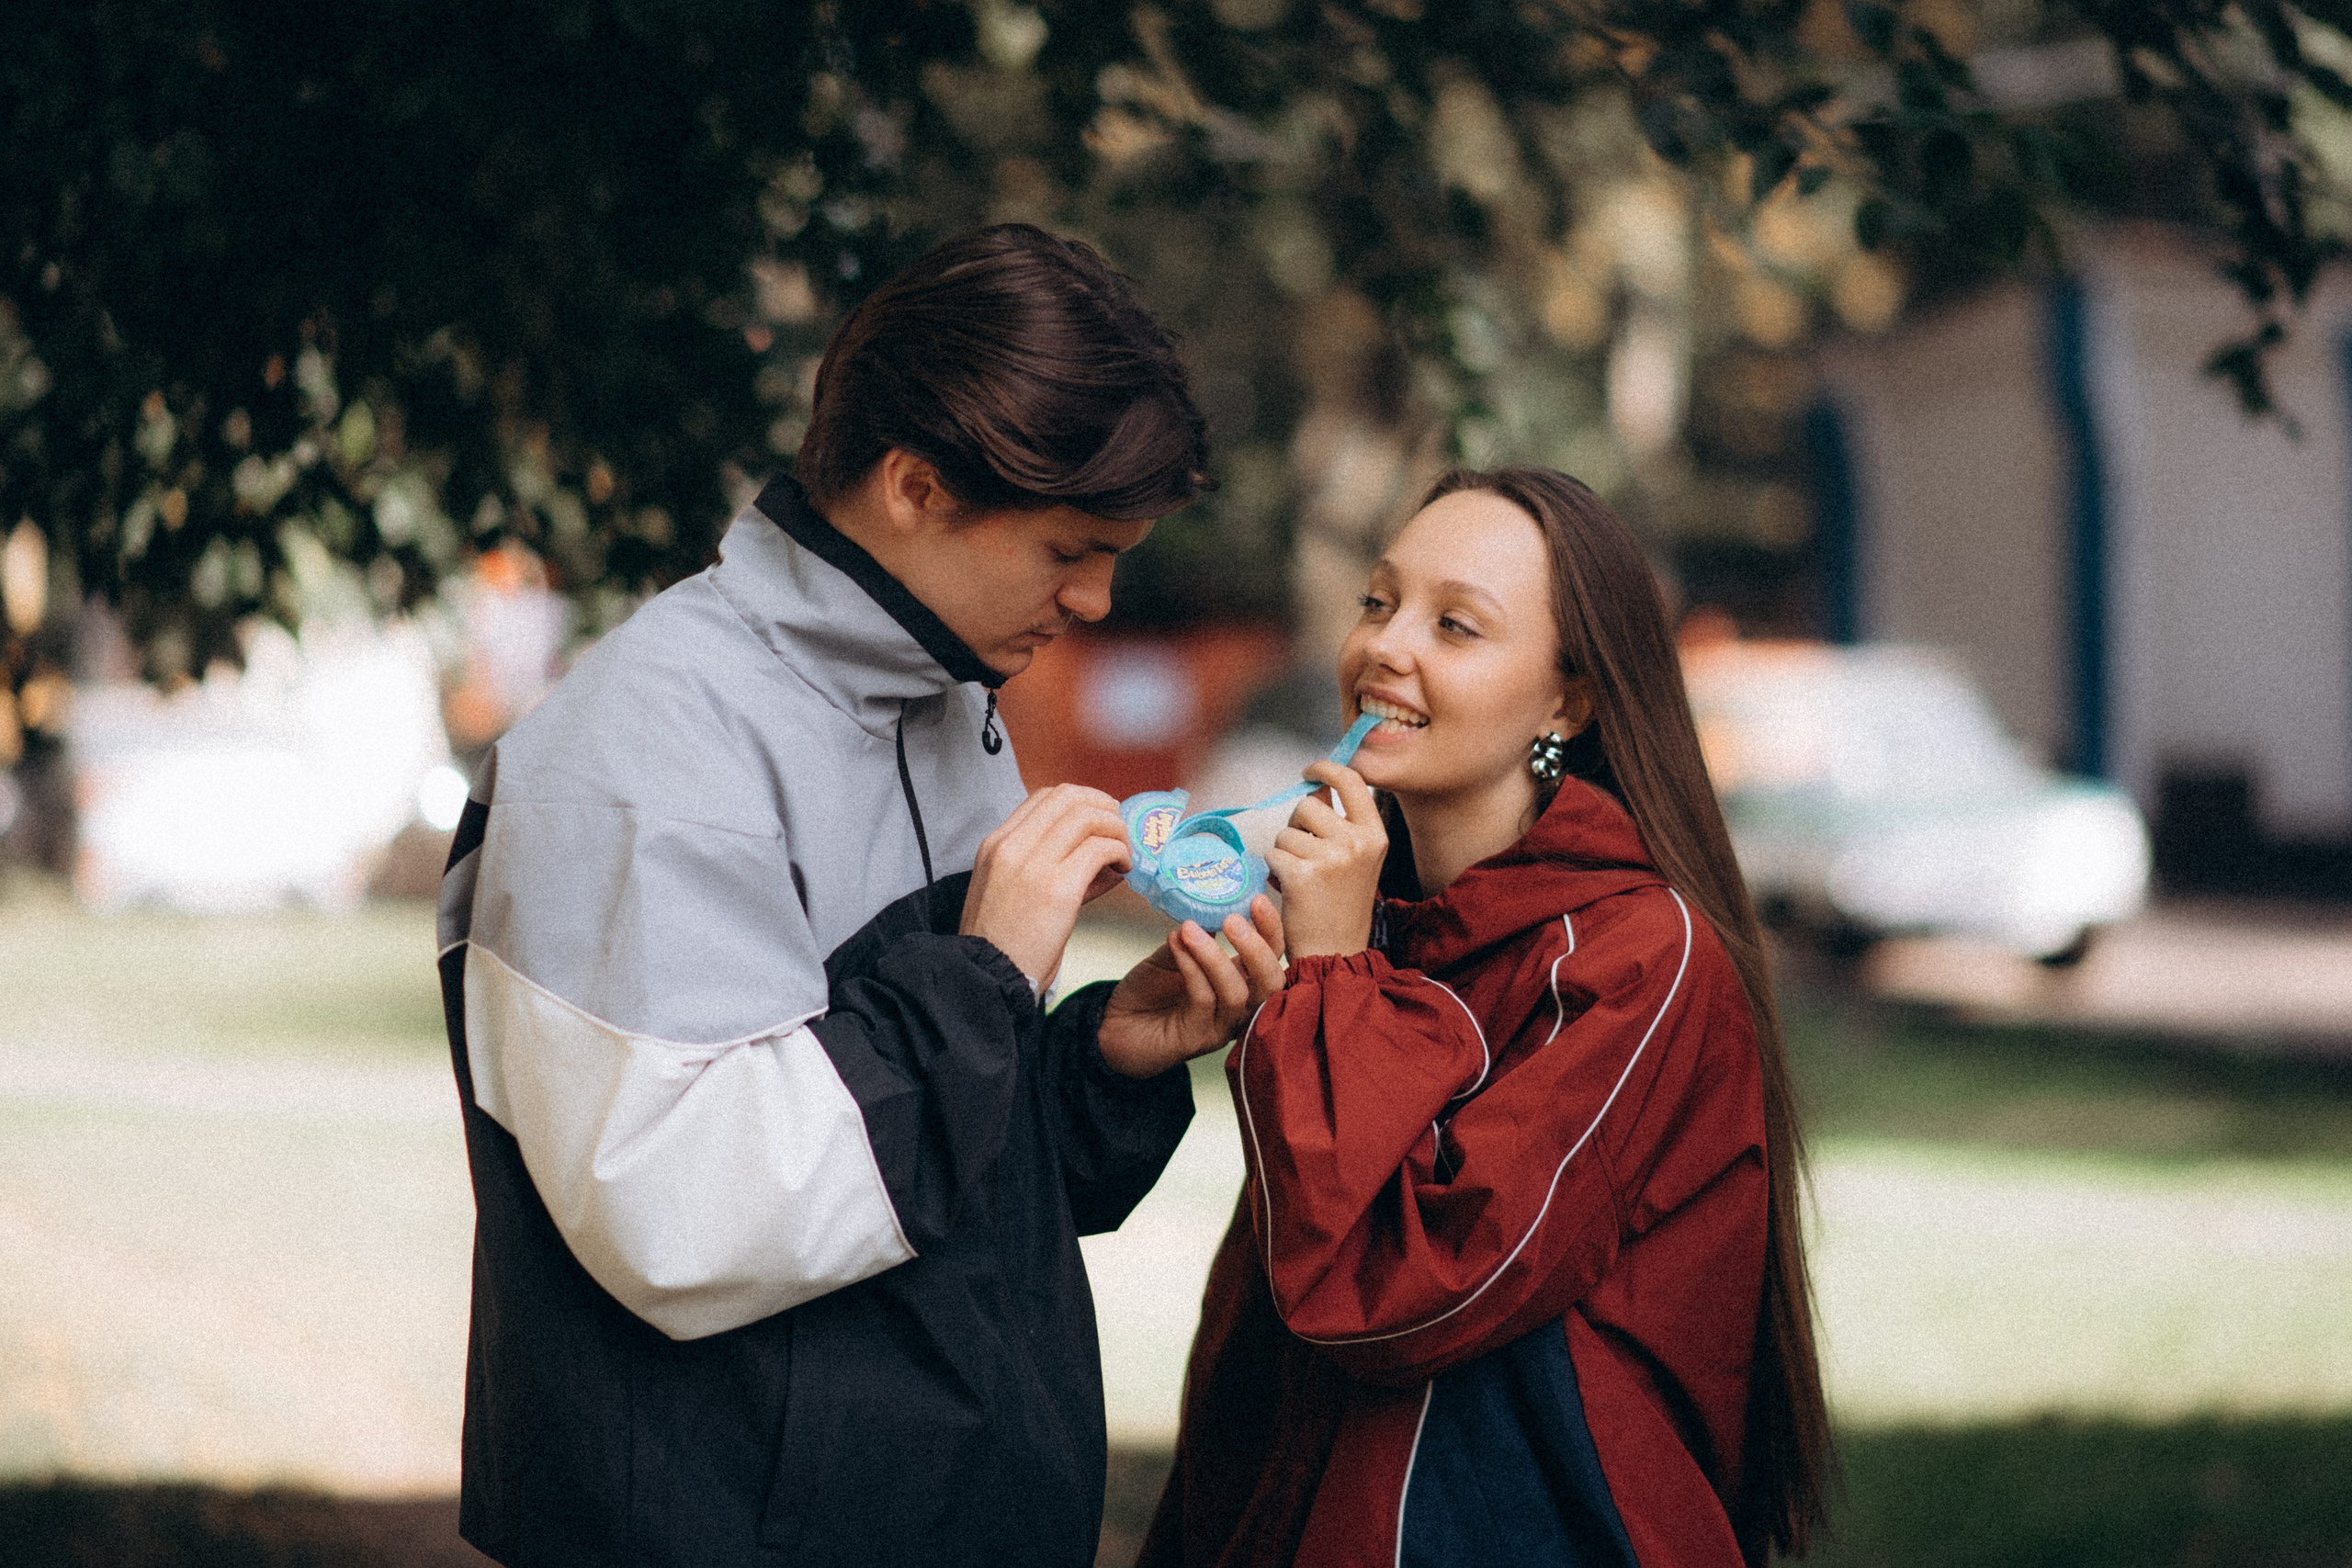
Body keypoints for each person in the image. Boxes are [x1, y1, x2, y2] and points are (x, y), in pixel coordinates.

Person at [435, 224, 1284, 1568]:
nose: (1099, 595)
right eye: (1072, 544)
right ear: (915, 486)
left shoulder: (948, 703)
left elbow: (931, 1181)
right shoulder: (646, 749)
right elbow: (682, 1214)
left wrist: (1103, 1056)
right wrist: (982, 979)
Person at [1138, 467, 1833, 1568]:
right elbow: (1260, 1326)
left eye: (1455, 625)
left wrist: (1326, 980)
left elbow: (1391, 1296)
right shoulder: (1370, 923)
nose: (1384, 646)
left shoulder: (1644, 957)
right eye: (1377, 601)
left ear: (1568, 701)